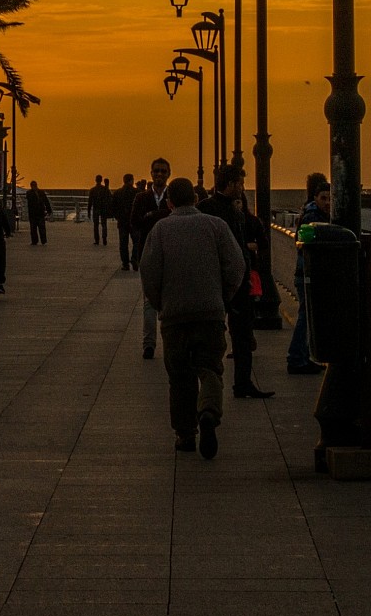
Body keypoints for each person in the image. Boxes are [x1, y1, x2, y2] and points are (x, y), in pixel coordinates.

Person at [141, 175, 245, 457]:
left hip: (175, 316)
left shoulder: (161, 230)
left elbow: (148, 272)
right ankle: (209, 411)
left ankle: (185, 434)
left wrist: (159, 302)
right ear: (196, 199)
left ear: (170, 201)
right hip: (210, 313)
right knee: (210, 368)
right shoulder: (216, 226)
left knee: (179, 376)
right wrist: (223, 297)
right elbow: (236, 265)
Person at [200, 163, 272, 399]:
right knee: (237, 334)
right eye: (240, 183)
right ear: (230, 184)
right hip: (228, 282)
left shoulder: (211, 209)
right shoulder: (218, 211)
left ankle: (235, 382)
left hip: (224, 281)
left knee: (235, 334)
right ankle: (238, 383)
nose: (242, 188)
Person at [285, 173, 330, 376]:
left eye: (330, 198)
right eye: (324, 198)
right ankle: (296, 358)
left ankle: (303, 357)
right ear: (315, 198)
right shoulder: (313, 218)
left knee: (307, 315)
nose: (328, 202)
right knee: (305, 316)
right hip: (307, 274)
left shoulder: (310, 213)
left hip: (306, 272)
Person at [129, 159, 174, 358]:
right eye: (156, 171)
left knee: (168, 301)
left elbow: (173, 219)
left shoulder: (172, 197)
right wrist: (159, 215)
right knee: (149, 301)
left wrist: (151, 216)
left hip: (170, 254)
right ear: (151, 173)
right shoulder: (141, 197)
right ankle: (149, 344)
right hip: (147, 254)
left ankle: (169, 342)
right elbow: (135, 222)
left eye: (163, 171)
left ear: (168, 174)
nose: (159, 175)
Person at [110, 175, 137, 271]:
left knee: (123, 243)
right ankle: (135, 260)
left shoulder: (117, 193)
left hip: (122, 222)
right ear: (131, 181)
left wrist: (118, 217)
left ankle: (125, 263)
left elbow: (113, 207)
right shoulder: (136, 193)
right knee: (136, 242)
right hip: (134, 222)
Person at [88, 176, 111, 247]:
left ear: (95, 180)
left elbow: (90, 202)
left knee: (96, 225)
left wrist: (88, 211)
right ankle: (104, 239)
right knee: (104, 224)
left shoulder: (92, 190)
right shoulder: (105, 189)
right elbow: (109, 197)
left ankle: (97, 240)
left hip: (96, 209)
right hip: (103, 209)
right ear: (101, 180)